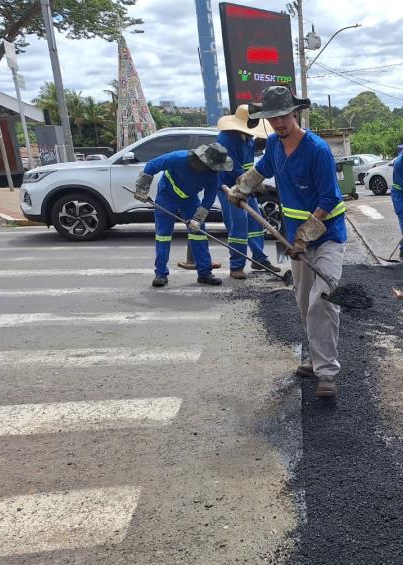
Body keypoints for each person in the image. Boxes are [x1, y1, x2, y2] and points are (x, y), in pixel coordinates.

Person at [228, 86, 346, 398]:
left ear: (294, 113)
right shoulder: (275, 149)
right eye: (272, 118)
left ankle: (327, 373)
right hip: (295, 239)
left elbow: (330, 198)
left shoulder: (317, 150)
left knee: (323, 300)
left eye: (283, 116)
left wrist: (305, 236)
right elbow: (260, 171)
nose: (279, 123)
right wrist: (241, 187)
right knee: (304, 301)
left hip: (327, 237)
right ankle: (317, 356)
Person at [133, 143, 232, 287]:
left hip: (190, 200)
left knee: (198, 233)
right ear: (202, 160)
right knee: (163, 235)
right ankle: (161, 274)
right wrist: (142, 189)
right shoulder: (178, 158)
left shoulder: (213, 174)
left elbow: (209, 198)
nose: (214, 170)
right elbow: (151, 166)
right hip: (166, 196)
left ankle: (204, 273)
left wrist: (197, 219)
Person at [215, 105, 284, 280]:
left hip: (245, 185)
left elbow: (247, 166)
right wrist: (251, 183)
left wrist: (255, 181)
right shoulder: (226, 139)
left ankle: (259, 259)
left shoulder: (249, 139)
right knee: (238, 225)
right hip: (229, 187)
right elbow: (230, 167)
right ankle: (236, 265)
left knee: (256, 221)